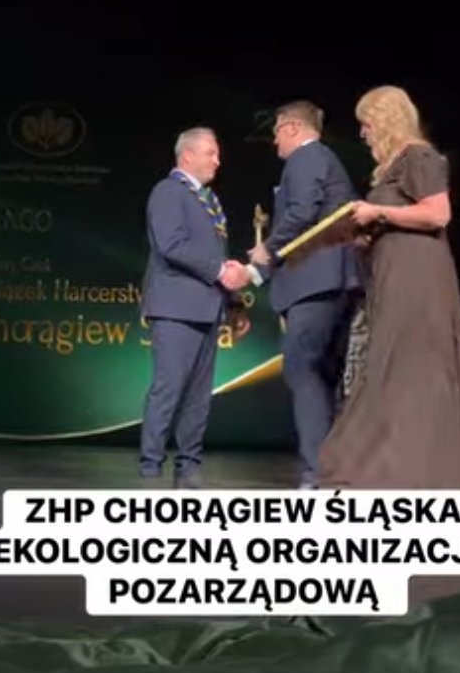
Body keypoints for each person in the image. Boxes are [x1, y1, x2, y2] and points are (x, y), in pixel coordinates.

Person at [317, 86, 460, 526]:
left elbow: (437, 214)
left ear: (386, 118)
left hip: (419, 282)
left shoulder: (419, 158)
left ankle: (423, 482)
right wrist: (364, 234)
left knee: (416, 371)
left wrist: (378, 214)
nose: (363, 133)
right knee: (396, 370)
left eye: (367, 123)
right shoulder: (390, 169)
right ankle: (397, 480)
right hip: (393, 280)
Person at [248, 100, 358, 489]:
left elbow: (302, 213)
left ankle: (318, 475)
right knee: (324, 376)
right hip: (333, 282)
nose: (274, 141)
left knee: (302, 368)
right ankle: (331, 473)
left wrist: (267, 249)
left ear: (292, 127)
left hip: (316, 283)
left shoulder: (307, 157)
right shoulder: (324, 159)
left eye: (276, 131)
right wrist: (259, 270)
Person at [139, 127, 250, 489]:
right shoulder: (168, 192)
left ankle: (189, 465)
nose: (217, 161)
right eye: (210, 153)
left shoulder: (208, 199)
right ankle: (151, 467)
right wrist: (220, 272)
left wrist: (234, 303)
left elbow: (215, 254)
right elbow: (171, 245)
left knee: (199, 396)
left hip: (207, 307)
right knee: (169, 388)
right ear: (187, 155)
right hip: (176, 307)